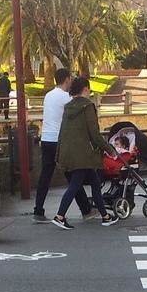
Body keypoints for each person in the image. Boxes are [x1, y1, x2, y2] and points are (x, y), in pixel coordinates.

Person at [50, 76, 119, 230]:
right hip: (83, 155)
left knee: (95, 183)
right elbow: (94, 134)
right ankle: (60, 216)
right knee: (75, 185)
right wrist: (110, 150)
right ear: (86, 89)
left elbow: (62, 132)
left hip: (68, 153)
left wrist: (59, 154)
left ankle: (105, 216)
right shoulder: (87, 106)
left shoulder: (68, 107)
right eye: (89, 91)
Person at [32, 68, 92, 223]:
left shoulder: (48, 96)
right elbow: (80, 108)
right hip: (60, 141)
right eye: (71, 78)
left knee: (45, 176)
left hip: (46, 139)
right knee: (74, 175)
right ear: (66, 79)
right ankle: (86, 210)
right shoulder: (66, 98)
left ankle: (38, 210)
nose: (72, 81)